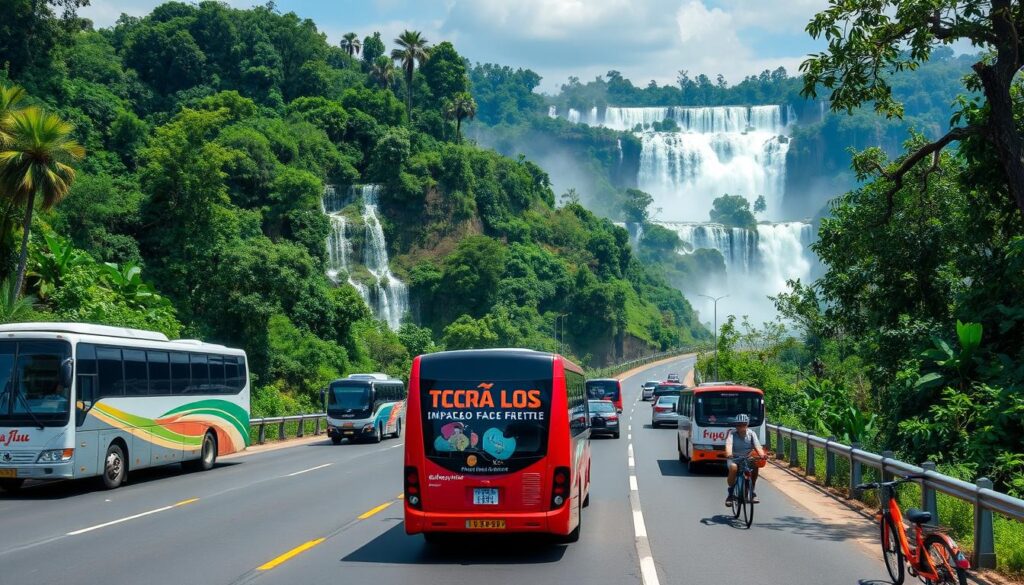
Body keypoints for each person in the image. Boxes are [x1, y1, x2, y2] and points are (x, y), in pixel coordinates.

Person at [724, 414, 766, 506]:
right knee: (734, 468)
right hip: (734, 458)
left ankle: (752, 491)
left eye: (743, 424)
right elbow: (729, 445)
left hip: (747, 458)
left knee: (755, 465)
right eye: (738, 424)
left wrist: (762, 455)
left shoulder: (751, 434)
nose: (740, 427)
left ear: (747, 425)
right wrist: (729, 454)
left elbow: (757, 446)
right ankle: (730, 493)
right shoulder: (731, 434)